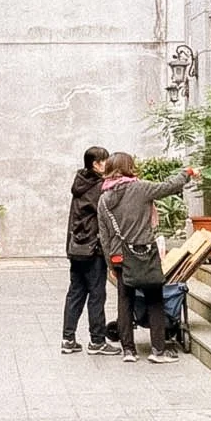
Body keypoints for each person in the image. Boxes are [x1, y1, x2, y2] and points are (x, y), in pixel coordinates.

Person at [97, 152, 191, 362]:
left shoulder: (104, 199)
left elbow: (104, 235)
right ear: (129, 167)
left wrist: (110, 264)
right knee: (154, 299)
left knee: (125, 301)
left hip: (118, 256)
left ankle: (128, 351)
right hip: (144, 254)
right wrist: (187, 173)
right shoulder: (140, 188)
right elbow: (168, 187)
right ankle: (158, 350)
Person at [63, 145, 119, 354]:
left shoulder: (80, 182)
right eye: (106, 160)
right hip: (93, 248)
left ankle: (68, 339)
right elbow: (106, 215)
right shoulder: (99, 187)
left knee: (75, 293)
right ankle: (97, 341)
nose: (109, 164)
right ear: (96, 164)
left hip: (76, 247)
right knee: (97, 295)